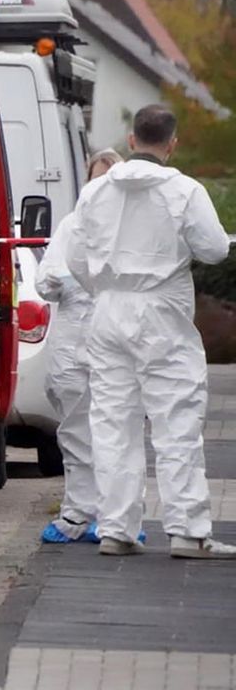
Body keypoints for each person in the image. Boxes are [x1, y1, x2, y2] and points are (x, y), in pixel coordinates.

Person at [68, 105, 235, 558]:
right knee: (176, 419)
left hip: (108, 311)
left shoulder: (96, 192)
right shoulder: (184, 191)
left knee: (113, 422)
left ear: (130, 140)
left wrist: (104, 288)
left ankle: (117, 529)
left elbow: (76, 258)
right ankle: (187, 530)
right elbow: (216, 250)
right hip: (161, 311)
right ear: (172, 143)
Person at [36, 149, 123, 544]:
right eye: (96, 179)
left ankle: (114, 518)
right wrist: (69, 281)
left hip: (115, 344)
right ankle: (76, 514)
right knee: (74, 434)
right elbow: (45, 279)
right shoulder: (73, 225)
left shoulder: (131, 229)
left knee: (115, 435)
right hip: (73, 345)